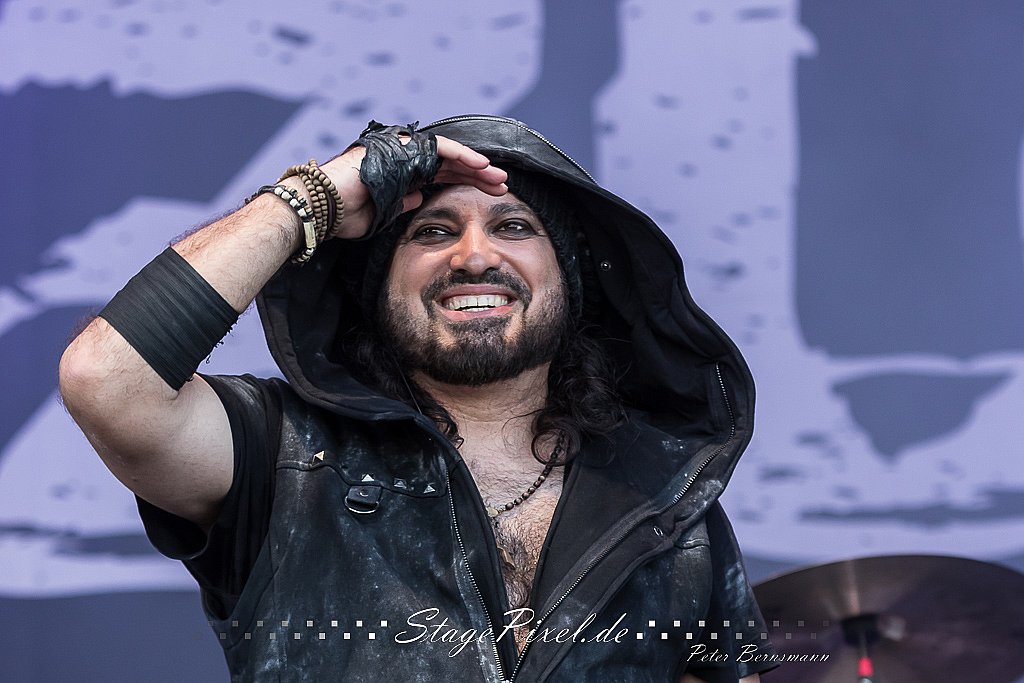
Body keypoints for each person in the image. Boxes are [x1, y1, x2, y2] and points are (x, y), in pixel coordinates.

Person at [59, 116, 775, 682]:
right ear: (377, 289)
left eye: (514, 226)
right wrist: (315, 196)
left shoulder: (671, 489)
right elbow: (105, 380)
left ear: (570, 283)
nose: (474, 256)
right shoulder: (277, 451)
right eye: (432, 231)